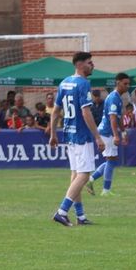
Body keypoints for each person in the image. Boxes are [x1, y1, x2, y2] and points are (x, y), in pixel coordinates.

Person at [50, 51, 102, 226]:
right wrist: (97, 136)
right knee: (84, 175)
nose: (92, 65)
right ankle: (62, 211)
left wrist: (53, 134)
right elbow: (86, 112)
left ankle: (80, 216)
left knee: (76, 174)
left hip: (69, 134)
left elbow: (56, 111)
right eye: (89, 62)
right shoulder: (83, 83)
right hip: (81, 135)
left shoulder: (64, 82)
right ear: (80, 64)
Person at [94, 71, 130, 194]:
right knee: (111, 160)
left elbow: (118, 118)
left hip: (106, 131)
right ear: (118, 83)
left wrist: (123, 132)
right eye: (125, 84)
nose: (127, 86)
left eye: (128, 84)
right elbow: (113, 118)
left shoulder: (116, 97)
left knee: (111, 160)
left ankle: (91, 180)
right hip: (107, 132)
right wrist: (116, 135)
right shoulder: (114, 98)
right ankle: (106, 190)